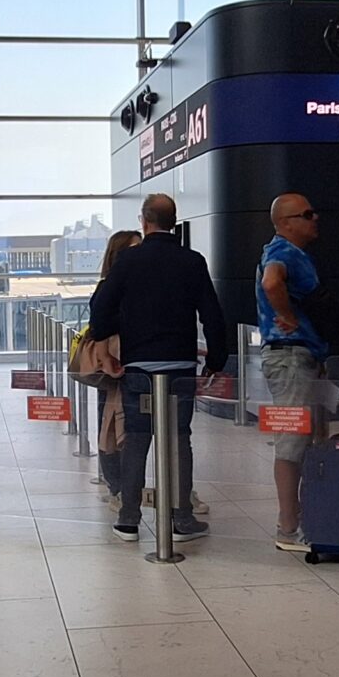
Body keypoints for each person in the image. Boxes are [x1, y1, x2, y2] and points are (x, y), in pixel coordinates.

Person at [89, 194, 226, 543]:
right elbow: (212, 313)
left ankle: (128, 520)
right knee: (179, 439)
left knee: (136, 438)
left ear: (144, 220)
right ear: (173, 221)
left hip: (138, 366)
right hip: (180, 366)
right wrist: (216, 359)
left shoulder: (129, 261)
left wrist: (105, 346)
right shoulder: (192, 261)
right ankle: (182, 519)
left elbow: (101, 306)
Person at [256, 192, 330, 552]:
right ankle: (288, 525)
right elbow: (271, 282)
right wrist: (286, 316)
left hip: (303, 357)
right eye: (307, 214)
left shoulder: (293, 253)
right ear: (285, 223)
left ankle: (302, 516)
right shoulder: (282, 252)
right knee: (293, 439)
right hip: (290, 358)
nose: (315, 218)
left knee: (308, 436)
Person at [81, 230, 143, 495]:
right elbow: (99, 324)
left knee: (127, 424)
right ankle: (116, 486)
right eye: (134, 249)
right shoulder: (108, 287)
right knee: (109, 421)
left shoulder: (142, 286)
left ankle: (124, 486)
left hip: (132, 359)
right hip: (112, 363)